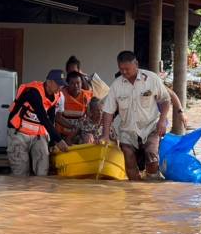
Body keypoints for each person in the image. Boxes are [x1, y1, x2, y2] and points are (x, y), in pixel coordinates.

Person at [100, 51, 171, 181]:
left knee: (151, 154)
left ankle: (152, 184)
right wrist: (105, 134)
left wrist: (162, 121)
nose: (124, 72)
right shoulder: (116, 85)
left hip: (150, 126)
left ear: (136, 64)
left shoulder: (152, 79)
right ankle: (135, 190)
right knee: (128, 156)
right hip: (127, 130)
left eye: (127, 69)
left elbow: (166, 100)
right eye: (121, 69)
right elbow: (108, 111)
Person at [7, 70, 69, 177]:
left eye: (62, 85)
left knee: (43, 172)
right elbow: (43, 117)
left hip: (38, 135)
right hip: (19, 133)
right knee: (20, 174)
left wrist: (52, 143)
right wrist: (58, 140)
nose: (60, 87)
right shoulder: (33, 92)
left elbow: (51, 119)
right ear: (49, 82)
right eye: (58, 84)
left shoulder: (56, 96)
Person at [56, 71, 93, 144]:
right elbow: (58, 117)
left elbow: (89, 116)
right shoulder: (61, 95)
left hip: (78, 133)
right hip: (62, 134)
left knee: (89, 138)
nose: (75, 86)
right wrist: (72, 127)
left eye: (78, 83)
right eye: (72, 83)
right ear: (67, 84)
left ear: (81, 83)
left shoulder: (86, 96)